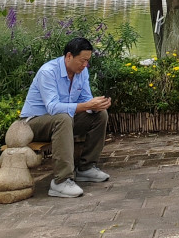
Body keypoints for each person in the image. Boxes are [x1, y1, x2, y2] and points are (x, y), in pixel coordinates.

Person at [20, 36, 112, 199]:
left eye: (87, 61)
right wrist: (87, 105)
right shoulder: (48, 72)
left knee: (100, 115)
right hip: (33, 124)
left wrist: (97, 105)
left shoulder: (82, 72)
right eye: (82, 60)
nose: (85, 65)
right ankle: (61, 181)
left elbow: (85, 99)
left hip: (63, 121)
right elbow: (53, 107)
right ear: (69, 56)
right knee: (62, 118)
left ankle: (86, 168)